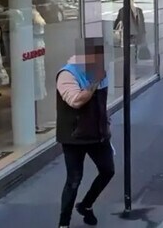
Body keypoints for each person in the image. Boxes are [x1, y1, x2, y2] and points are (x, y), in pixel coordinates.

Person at [57, 38, 112, 228]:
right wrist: (94, 81)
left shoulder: (98, 71)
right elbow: (77, 101)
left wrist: (106, 122)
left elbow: (101, 102)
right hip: (75, 136)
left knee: (108, 171)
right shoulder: (67, 74)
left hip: (97, 133)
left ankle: (86, 205)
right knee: (74, 180)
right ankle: (63, 223)